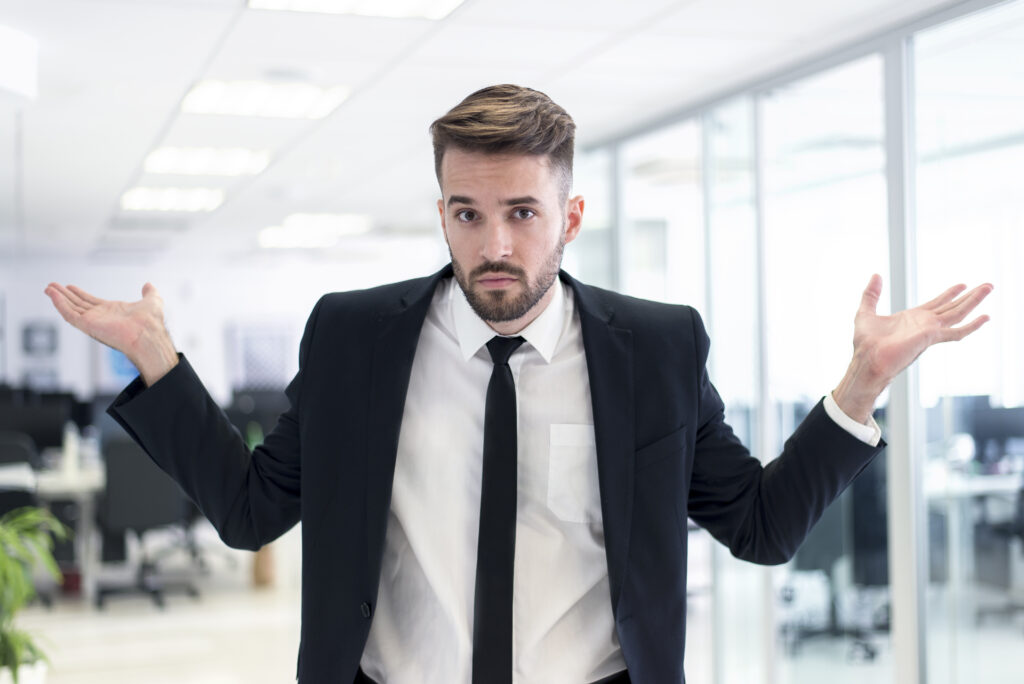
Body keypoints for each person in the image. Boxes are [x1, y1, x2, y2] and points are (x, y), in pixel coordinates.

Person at [44, 84, 991, 684]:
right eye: (468, 213)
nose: (495, 246)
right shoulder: (355, 337)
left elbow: (761, 524)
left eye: (523, 212)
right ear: (443, 212)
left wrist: (861, 384)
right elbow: (254, 511)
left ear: (570, 214)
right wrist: (159, 368)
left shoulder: (657, 350)